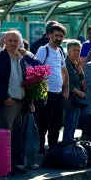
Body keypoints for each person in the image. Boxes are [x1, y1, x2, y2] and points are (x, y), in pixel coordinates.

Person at [0, 30, 30, 174]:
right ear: (4, 41)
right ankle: (3, 165)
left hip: (20, 102)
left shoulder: (21, 59)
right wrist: (5, 97)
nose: (13, 43)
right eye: (10, 40)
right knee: (5, 134)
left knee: (16, 136)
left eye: (16, 41)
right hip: (7, 103)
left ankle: (13, 164)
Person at [35, 23, 69, 151]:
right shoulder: (44, 50)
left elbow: (64, 71)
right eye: (56, 35)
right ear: (50, 35)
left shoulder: (60, 51)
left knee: (56, 124)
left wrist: (66, 88)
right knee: (43, 124)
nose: (58, 38)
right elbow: (37, 70)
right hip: (46, 94)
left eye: (61, 36)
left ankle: (53, 151)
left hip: (58, 94)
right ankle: (40, 150)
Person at [63, 40, 86, 143]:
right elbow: (65, 81)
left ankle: (71, 144)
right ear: (68, 51)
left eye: (78, 50)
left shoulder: (75, 63)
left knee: (75, 124)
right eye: (74, 50)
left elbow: (81, 78)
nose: (76, 53)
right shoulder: (65, 64)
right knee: (70, 123)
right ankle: (67, 145)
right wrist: (78, 92)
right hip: (69, 98)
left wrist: (79, 67)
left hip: (76, 100)